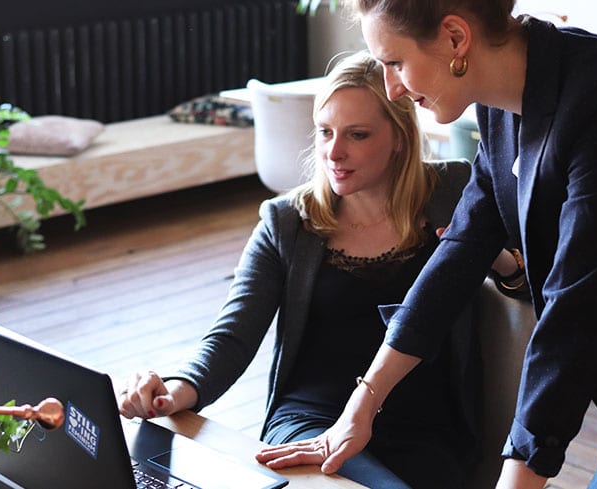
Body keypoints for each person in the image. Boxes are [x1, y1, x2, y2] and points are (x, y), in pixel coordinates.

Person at [255, 1, 597, 488]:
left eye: (394, 63)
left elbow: (576, 316)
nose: (391, 87)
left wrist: (519, 471)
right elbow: (459, 251)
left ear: (455, 38)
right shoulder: (504, 106)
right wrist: (361, 405)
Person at [120, 50, 484, 488]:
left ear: (400, 137)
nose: (334, 152)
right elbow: (231, 336)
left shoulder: (453, 192)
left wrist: (501, 259)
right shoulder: (288, 222)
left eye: (358, 135)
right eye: (325, 132)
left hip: (425, 429)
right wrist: (177, 388)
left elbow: (527, 281)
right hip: (310, 423)